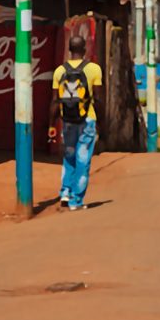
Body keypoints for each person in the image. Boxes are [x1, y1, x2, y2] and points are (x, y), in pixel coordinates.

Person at [48, 34, 103, 212]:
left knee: (69, 156)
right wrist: (103, 123)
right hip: (88, 119)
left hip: (68, 120)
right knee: (83, 159)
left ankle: (65, 192)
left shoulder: (59, 71)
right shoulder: (94, 69)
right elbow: (99, 98)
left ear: (70, 50)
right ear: (84, 49)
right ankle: (76, 201)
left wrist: (51, 124)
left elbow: (55, 101)